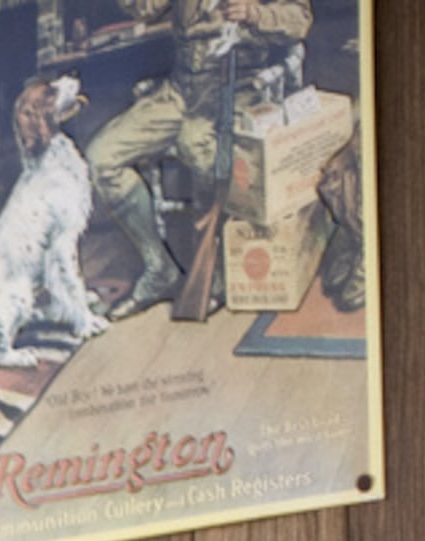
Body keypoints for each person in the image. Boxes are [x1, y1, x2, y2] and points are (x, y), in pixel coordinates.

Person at [83, 0, 316, 312]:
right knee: (101, 156)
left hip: (237, 87)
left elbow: (299, 19)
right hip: (180, 91)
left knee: (196, 144)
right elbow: (142, 9)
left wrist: (255, 13)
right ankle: (160, 269)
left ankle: (218, 266)